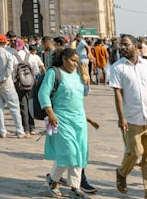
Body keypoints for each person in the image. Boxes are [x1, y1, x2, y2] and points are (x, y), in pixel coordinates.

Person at [109, 34, 147, 199]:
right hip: (131, 118)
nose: (123, 47)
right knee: (135, 152)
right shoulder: (118, 67)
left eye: (126, 44)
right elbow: (118, 93)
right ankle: (122, 172)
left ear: (135, 45)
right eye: (121, 45)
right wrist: (121, 117)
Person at [38, 47, 99, 198]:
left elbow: (79, 97)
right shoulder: (54, 73)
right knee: (68, 151)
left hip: (78, 119)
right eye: (72, 61)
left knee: (79, 153)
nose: (75, 64)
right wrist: (50, 112)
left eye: (77, 62)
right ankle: (53, 180)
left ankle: (75, 188)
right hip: (61, 118)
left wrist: (86, 79)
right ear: (64, 59)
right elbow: (43, 93)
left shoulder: (78, 74)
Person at [0, 33, 26, 138]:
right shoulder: (8, 55)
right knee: (14, 108)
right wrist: (1, 80)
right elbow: (9, 70)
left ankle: (2, 131)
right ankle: (20, 131)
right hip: (7, 85)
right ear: (5, 42)